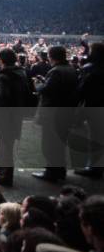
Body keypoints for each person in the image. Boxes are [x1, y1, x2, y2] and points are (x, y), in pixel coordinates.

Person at [32, 46, 78, 182]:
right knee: (60, 144)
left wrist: (37, 84)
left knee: (49, 144)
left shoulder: (56, 71)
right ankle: (60, 171)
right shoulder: (71, 69)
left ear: (51, 57)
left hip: (53, 114)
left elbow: (47, 90)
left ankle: (51, 172)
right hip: (66, 112)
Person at [0, 48, 31, 186]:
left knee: (5, 145)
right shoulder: (20, 73)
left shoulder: (4, 76)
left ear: (2, 59)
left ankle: (5, 176)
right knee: (5, 143)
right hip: (15, 113)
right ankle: (1, 168)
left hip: (5, 115)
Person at [75, 42, 104, 178]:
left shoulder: (90, 68)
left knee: (95, 138)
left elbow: (81, 90)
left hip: (94, 107)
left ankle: (94, 168)